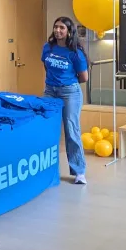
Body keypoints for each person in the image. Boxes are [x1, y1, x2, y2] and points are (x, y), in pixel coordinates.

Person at [42, 17, 89, 185]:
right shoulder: (47, 48)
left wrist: (65, 82)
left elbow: (84, 77)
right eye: (56, 27)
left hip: (70, 92)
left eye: (62, 28)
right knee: (45, 126)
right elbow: (47, 67)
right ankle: (46, 168)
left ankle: (79, 172)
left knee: (71, 130)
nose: (58, 30)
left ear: (69, 31)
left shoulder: (75, 52)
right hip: (50, 90)